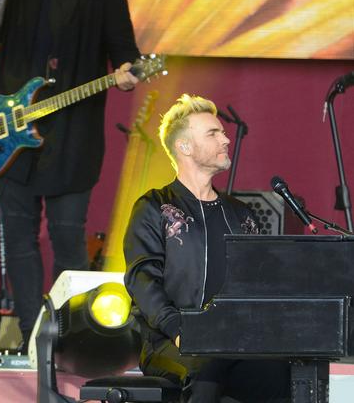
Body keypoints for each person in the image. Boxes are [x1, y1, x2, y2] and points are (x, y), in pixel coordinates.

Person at [0, 0, 142, 348]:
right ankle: (31, 339)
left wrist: (127, 74)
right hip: (12, 136)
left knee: (68, 237)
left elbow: (129, 59)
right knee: (19, 240)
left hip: (73, 138)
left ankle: (69, 338)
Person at [123, 94, 290, 402]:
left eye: (223, 132)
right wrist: (177, 328)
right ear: (184, 146)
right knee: (207, 367)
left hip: (233, 340)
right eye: (213, 133)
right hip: (169, 340)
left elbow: (258, 282)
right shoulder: (154, 206)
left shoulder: (240, 213)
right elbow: (142, 279)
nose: (225, 139)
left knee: (278, 373)